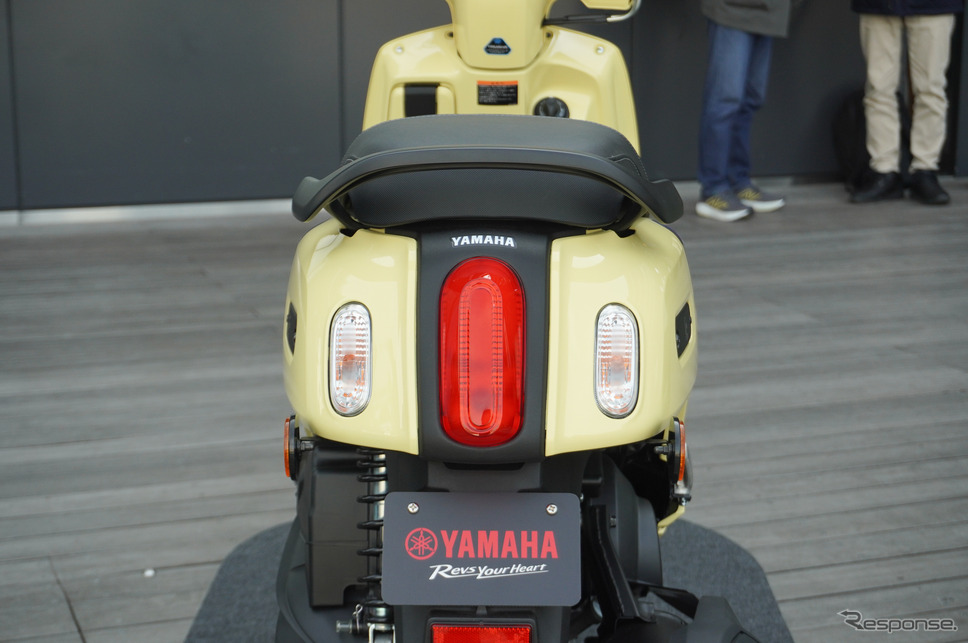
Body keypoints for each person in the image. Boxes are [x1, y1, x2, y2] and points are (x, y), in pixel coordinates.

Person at [850, 0, 964, 205]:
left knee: (931, 89)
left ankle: (925, 170)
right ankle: (884, 171)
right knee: (878, 89)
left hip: (933, 5)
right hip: (877, 5)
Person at [696, 0, 792, 222]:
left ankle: (738, 183)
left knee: (750, 100)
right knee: (725, 101)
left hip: (770, 13)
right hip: (732, 10)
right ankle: (714, 190)